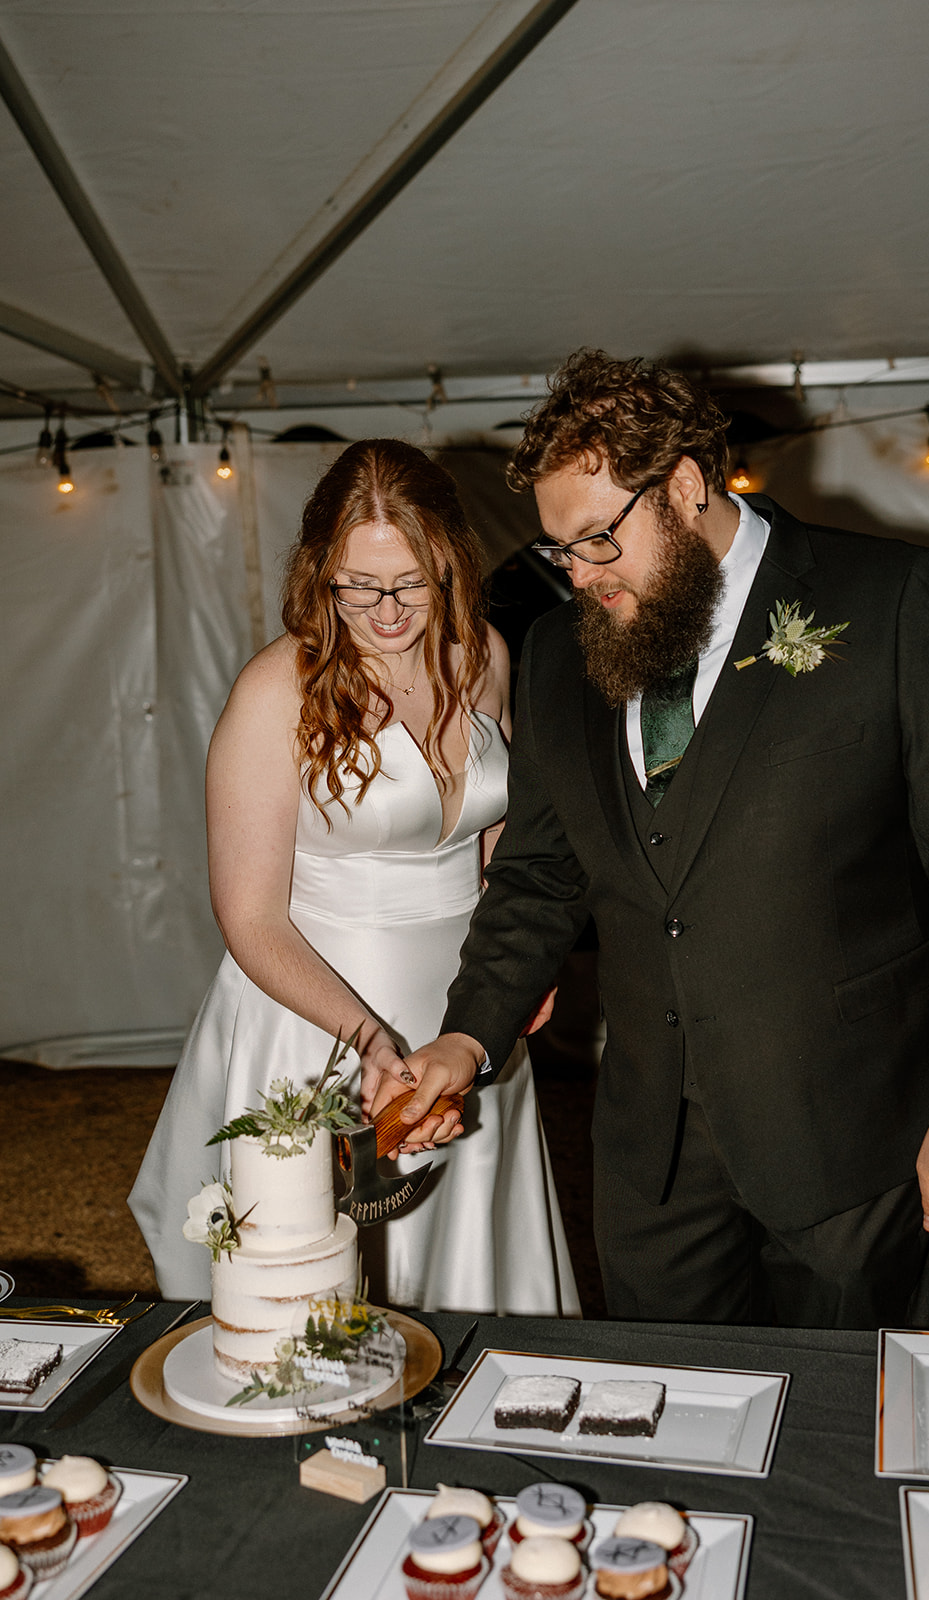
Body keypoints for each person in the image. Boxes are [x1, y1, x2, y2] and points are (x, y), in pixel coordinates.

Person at [377, 349, 929, 1329]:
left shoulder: (892, 598)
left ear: (684, 485)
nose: (580, 574)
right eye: (559, 551)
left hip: (846, 1133)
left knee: (835, 1430)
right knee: (669, 1413)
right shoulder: (557, 661)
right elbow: (537, 877)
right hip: (650, 1155)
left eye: (598, 540)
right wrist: (467, 1031)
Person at [129, 438, 578, 1317]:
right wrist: (371, 1042)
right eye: (355, 583)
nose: (384, 609)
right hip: (319, 1018)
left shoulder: (482, 654)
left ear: (448, 558)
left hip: (464, 1005)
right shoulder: (278, 690)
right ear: (319, 572)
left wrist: (520, 971)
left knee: (467, 1249)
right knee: (326, 1276)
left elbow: (495, 842)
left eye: (409, 581)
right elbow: (251, 915)